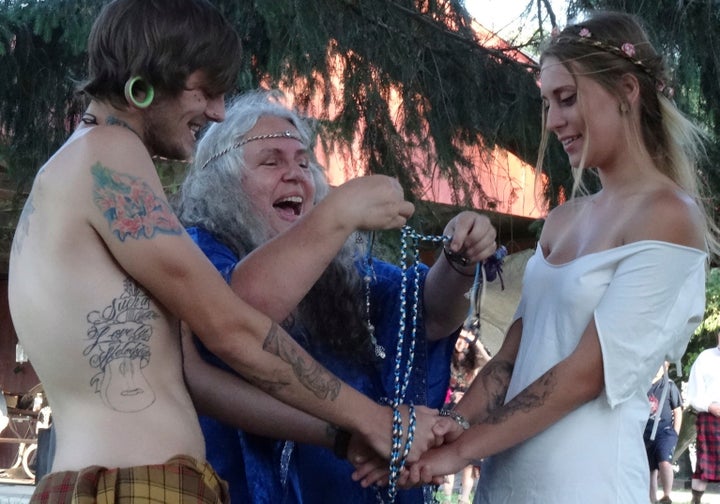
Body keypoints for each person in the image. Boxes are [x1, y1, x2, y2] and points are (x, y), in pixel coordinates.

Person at [6, 1, 443, 501]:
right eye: (206, 90)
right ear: (153, 74)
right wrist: (379, 420)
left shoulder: (78, 166)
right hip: (136, 487)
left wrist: (343, 437)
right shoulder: (107, 154)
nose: (215, 112)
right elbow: (232, 328)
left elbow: (195, 378)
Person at [379, 11, 718, 503]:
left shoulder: (669, 216)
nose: (553, 120)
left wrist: (458, 453)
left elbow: (584, 374)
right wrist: (449, 426)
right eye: (546, 103)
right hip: (505, 482)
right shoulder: (562, 220)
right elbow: (513, 358)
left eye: (567, 98)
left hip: (586, 484)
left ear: (627, 90)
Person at [175, 88, 500, 503]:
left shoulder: (343, 266)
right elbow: (233, 317)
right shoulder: (197, 248)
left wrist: (459, 262)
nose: (295, 174)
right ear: (223, 186)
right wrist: (339, 212)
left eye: (304, 162)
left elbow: (426, 317)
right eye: (271, 161)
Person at [439, 329, 491, 504]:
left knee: (468, 464)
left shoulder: (473, 365)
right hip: (448, 414)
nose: (460, 342)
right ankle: (446, 500)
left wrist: (474, 340)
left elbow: (490, 362)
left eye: (464, 340)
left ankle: (463, 500)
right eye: (458, 338)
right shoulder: (446, 359)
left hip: (468, 418)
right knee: (448, 460)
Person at [686, 331, 720, 504]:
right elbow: (694, 392)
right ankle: (696, 501)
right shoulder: (705, 358)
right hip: (710, 417)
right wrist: (709, 406)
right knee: (704, 464)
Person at [644, 363, 683, 504]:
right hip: (646, 433)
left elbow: (677, 410)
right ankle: (652, 499)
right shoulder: (642, 386)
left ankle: (667, 495)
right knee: (650, 469)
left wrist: (675, 432)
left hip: (665, 432)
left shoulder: (669, 386)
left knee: (664, 460)